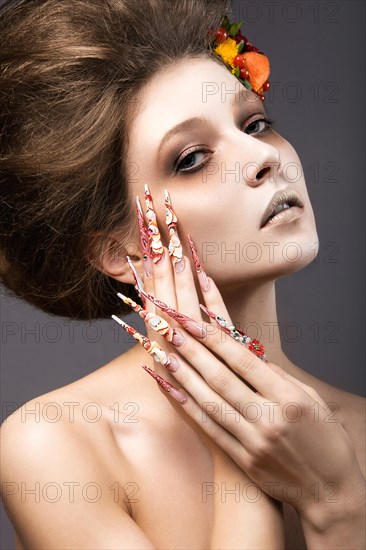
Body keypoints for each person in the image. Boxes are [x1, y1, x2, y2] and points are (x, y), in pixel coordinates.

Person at [0, 0, 364, 548]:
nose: (263, 157)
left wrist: (339, 504)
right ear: (121, 251)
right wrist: (241, 451)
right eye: (191, 157)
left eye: (256, 123)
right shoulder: (56, 444)